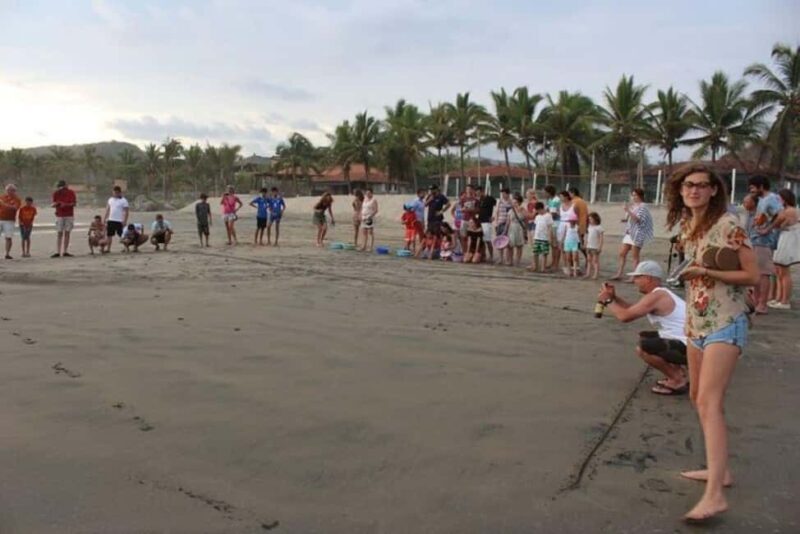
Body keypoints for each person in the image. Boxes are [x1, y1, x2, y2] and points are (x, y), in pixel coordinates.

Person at [665, 162, 759, 523]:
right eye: (688, 186)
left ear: (714, 190)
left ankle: (716, 494)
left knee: (709, 400)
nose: (694, 191)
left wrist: (706, 271)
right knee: (696, 398)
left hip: (726, 322)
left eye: (702, 186)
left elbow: (750, 275)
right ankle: (722, 471)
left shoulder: (729, 226)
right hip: (697, 323)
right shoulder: (690, 227)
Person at [597, 260, 689, 395]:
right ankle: (678, 372)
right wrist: (614, 298)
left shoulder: (657, 296)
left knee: (643, 347)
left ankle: (677, 380)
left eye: (638, 277)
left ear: (648, 278)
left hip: (691, 346)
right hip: (690, 341)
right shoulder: (659, 294)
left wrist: (607, 301)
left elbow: (624, 317)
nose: (634, 280)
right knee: (645, 336)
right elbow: (631, 309)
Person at [747, 175, 781, 314]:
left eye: (753, 187)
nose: (751, 190)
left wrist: (768, 228)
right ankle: (756, 301)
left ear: (761, 186)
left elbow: (780, 214)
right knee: (757, 272)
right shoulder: (762, 200)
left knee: (764, 273)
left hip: (764, 241)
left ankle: (762, 304)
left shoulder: (771, 199)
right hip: (755, 239)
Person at [611, 188, 654, 280]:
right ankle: (619, 273)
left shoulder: (643, 207)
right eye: (632, 195)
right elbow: (630, 218)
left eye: (635, 195)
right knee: (622, 253)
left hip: (638, 233)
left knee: (635, 256)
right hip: (629, 232)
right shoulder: (634, 206)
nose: (633, 197)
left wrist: (628, 211)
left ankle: (635, 276)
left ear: (640, 196)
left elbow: (638, 219)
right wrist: (625, 219)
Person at [768, 189, 799, 309]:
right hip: (783, 239)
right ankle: (779, 298)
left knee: (784, 271)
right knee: (779, 271)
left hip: (787, 240)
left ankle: (785, 300)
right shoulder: (786, 210)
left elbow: (776, 223)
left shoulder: (789, 211)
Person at [51, 179, 77, 257]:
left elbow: (74, 203)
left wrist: (66, 205)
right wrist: (56, 204)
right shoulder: (56, 193)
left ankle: (65, 251)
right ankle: (58, 251)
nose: (61, 188)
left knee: (67, 232)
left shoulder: (71, 192)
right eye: (60, 187)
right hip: (59, 215)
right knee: (59, 232)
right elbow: (53, 203)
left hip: (69, 214)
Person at [103, 185, 129, 254]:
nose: (115, 194)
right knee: (109, 235)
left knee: (122, 235)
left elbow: (126, 212)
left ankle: (126, 247)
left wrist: (125, 221)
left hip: (119, 220)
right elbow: (107, 210)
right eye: (114, 192)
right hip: (111, 220)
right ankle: (108, 249)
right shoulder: (110, 200)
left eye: (117, 192)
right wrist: (104, 219)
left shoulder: (124, 200)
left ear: (120, 192)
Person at [503, 192, 527, 266]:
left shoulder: (523, 210)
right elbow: (508, 221)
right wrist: (505, 231)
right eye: (513, 202)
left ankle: (517, 261)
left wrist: (520, 209)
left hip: (519, 228)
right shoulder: (510, 211)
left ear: (519, 202)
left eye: (516, 202)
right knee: (510, 245)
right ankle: (509, 260)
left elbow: (526, 219)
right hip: (511, 228)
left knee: (519, 246)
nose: (514, 204)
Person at [528, 202, 553, 273]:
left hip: (544, 237)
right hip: (537, 237)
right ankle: (535, 266)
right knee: (535, 252)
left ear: (541, 209)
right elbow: (536, 227)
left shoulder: (548, 216)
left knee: (544, 253)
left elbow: (549, 227)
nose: (538, 212)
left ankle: (543, 268)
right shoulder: (537, 217)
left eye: (538, 210)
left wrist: (549, 237)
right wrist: (533, 236)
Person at [569, 187, 590, 270]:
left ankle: (574, 263)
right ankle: (587, 259)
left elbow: (573, 215)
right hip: (582, 225)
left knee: (576, 245)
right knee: (580, 244)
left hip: (576, 226)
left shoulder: (574, 202)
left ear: (573, 193)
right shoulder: (582, 201)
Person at [0, 184, 21, 260]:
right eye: (8, 190)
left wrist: (4, 204)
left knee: (8, 237)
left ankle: (7, 253)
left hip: (9, 220)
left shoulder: (17, 199)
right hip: (0, 218)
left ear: (15, 191)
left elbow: (14, 208)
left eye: (12, 190)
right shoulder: (2, 197)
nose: (10, 192)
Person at [477, 188, 496, 262]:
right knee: (481, 240)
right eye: (477, 193)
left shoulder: (490, 198)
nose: (478, 194)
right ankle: (483, 255)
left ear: (483, 192)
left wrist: (493, 216)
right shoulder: (479, 200)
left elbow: (496, 206)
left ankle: (491, 256)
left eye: (479, 193)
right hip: (480, 221)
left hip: (487, 222)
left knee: (487, 240)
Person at [585, 212, 604, 280]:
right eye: (589, 219)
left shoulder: (599, 227)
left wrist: (600, 246)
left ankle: (596, 274)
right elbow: (588, 236)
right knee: (589, 260)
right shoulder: (590, 227)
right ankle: (588, 273)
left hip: (595, 246)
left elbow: (601, 238)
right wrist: (586, 243)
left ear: (595, 219)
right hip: (589, 245)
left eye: (591, 219)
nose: (590, 221)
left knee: (595, 261)